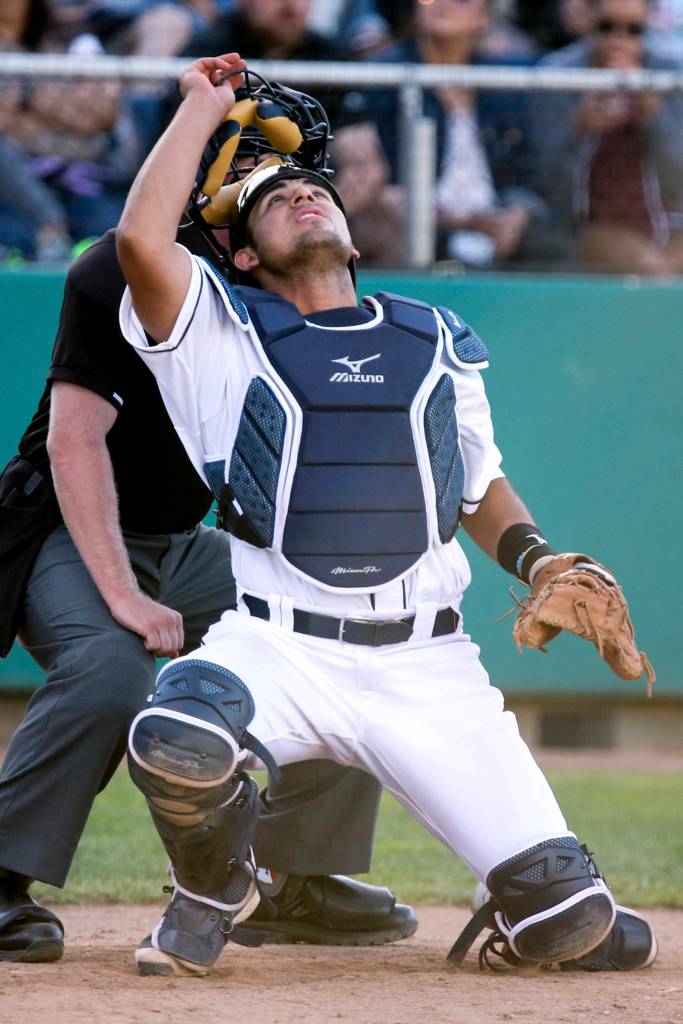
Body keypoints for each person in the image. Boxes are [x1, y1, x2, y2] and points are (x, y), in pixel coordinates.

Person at [116, 52, 658, 978]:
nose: (302, 198)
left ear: (354, 232)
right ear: (242, 254)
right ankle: (215, 886)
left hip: (425, 664)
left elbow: (476, 487)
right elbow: (138, 241)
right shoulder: (218, 331)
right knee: (178, 737)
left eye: (312, 190)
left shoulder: (435, 338)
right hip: (277, 647)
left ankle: (525, 907)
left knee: (578, 927)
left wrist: (538, 564)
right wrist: (203, 110)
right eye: (273, 199)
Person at [0, 220, 419, 962]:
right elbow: (74, 442)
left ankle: (293, 879)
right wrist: (124, 597)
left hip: (185, 541)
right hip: (68, 528)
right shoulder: (120, 265)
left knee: (330, 613)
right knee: (109, 668)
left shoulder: (283, 280)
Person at [367, 0, 567, 269]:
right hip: (422, 222)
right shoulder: (385, 77)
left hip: (495, 220)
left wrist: (516, 213)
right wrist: (459, 221)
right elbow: (385, 185)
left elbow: (527, 169)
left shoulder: (502, 82)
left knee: (555, 243)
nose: (442, 5)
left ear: (484, 17)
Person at [533, 0, 683, 275]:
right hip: (583, 229)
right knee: (642, 262)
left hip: (669, 225)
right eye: (607, 27)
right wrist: (580, 130)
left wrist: (654, 116)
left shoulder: (672, 73)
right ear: (589, 20)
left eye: (633, 30)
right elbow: (549, 189)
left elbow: (679, 181)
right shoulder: (557, 75)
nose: (619, 40)